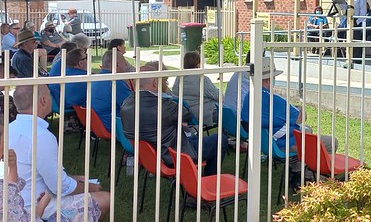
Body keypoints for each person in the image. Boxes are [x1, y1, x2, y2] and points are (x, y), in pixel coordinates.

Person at [7, 85, 110, 219]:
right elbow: (60, 187)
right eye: (50, 95)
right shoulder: (41, 136)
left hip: (19, 200)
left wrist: (76, 179)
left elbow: (46, 174)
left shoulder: (10, 128)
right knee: (105, 199)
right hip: (35, 206)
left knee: (81, 182)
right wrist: (90, 187)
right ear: (43, 101)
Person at [242, 57, 337, 190]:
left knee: (306, 131)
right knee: (331, 142)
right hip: (283, 144)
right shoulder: (274, 100)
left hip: (267, 142)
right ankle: (311, 177)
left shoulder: (249, 96)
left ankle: (296, 171)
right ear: (269, 80)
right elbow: (301, 117)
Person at [121, 63, 227, 174]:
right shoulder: (164, 105)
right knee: (220, 139)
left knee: (195, 137)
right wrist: (164, 92)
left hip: (153, 155)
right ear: (156, 83)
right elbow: (188, 115)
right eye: (163, 81)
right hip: (174, 155)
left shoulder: (126, 104)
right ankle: (209, 177)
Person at [173, 51, 221, 130]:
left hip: (187, 114)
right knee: (228, 112)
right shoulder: (202, 79)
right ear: (198, 64)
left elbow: (174, 93)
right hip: (205, 113)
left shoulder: (179, 78)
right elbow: (219, 97)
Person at [90, 49, 132, 132]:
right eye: (124, 62)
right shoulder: (115, 83)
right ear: (116, 65)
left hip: (99, 123)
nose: (126, 66)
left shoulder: (95, 79)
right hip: (114, 125)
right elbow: (132, 106)